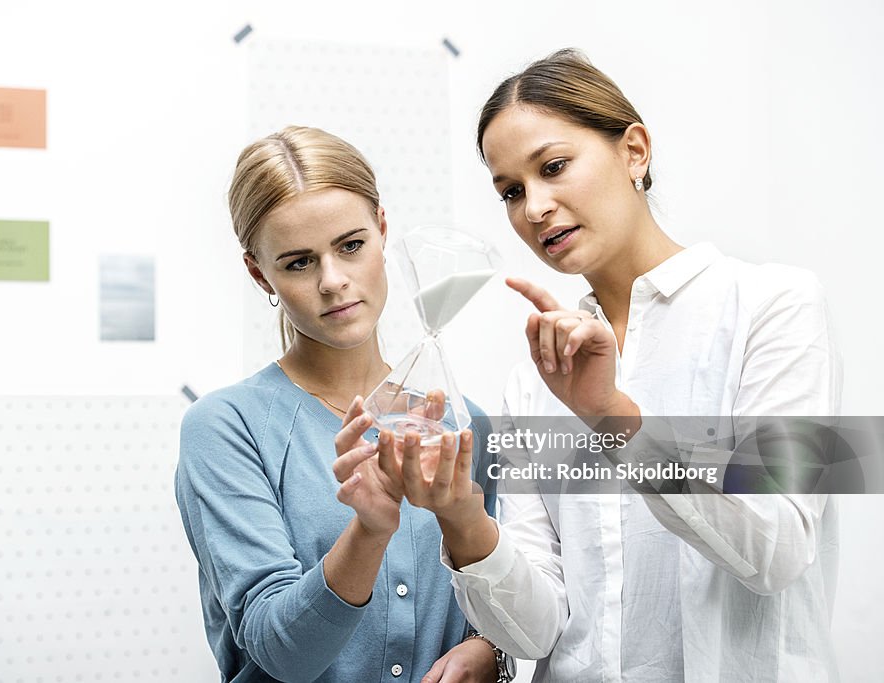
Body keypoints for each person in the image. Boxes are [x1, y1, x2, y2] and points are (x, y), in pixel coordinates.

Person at [391, 49, 841, 682]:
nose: (535, 208)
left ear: (635, 151)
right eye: (511, 191)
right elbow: (537, 630)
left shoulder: (773, 307)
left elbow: (780, 548)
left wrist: (614, 418)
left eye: (553, 167)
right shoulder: (534, 380)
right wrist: (462, 517)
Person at [174, 126, 502, 682]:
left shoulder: (461, 422)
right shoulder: (228, 429)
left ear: (382, 229)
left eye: (352, 246)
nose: (333, 281)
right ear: (260, 273)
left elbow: (505, 594)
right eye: (299, 262)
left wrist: (491, 648)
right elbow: (281, 654)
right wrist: (367, 532)